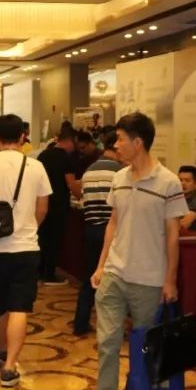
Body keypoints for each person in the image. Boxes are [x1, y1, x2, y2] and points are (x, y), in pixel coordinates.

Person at [81, 113, 188, 390]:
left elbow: (173, 235)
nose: (116, 145)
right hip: (114, 273)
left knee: (143, 346)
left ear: (137, 142)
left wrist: (170, 280)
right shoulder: (119, 178)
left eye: (120, 139)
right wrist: (101, 265)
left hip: (149, 279)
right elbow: (113, 223)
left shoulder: (168, 182)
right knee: (107, 342)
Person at [0, 114, 52, 388]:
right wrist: (30, 227)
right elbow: (43, 207)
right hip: (27, 247)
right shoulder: (36, 167)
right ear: (22, 137)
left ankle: (3, 348)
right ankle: (9, 366)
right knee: (20, 306)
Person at [73, 131, 121, 335]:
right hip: (111, 231)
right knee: (113, 281)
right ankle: (110, 327)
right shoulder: (120, 173)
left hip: (90, 228)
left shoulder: (89, 170)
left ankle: (80, 322)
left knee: (90, 277)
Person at [37, 128, 82, 285]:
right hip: (59, 205)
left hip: (42, 202)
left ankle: (39, 272)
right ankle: (49, 275)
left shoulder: (43, 155)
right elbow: (71, 184)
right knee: (55, 240)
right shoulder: (66, 159)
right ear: (69, 141)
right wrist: (79, 194)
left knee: (42, 238)